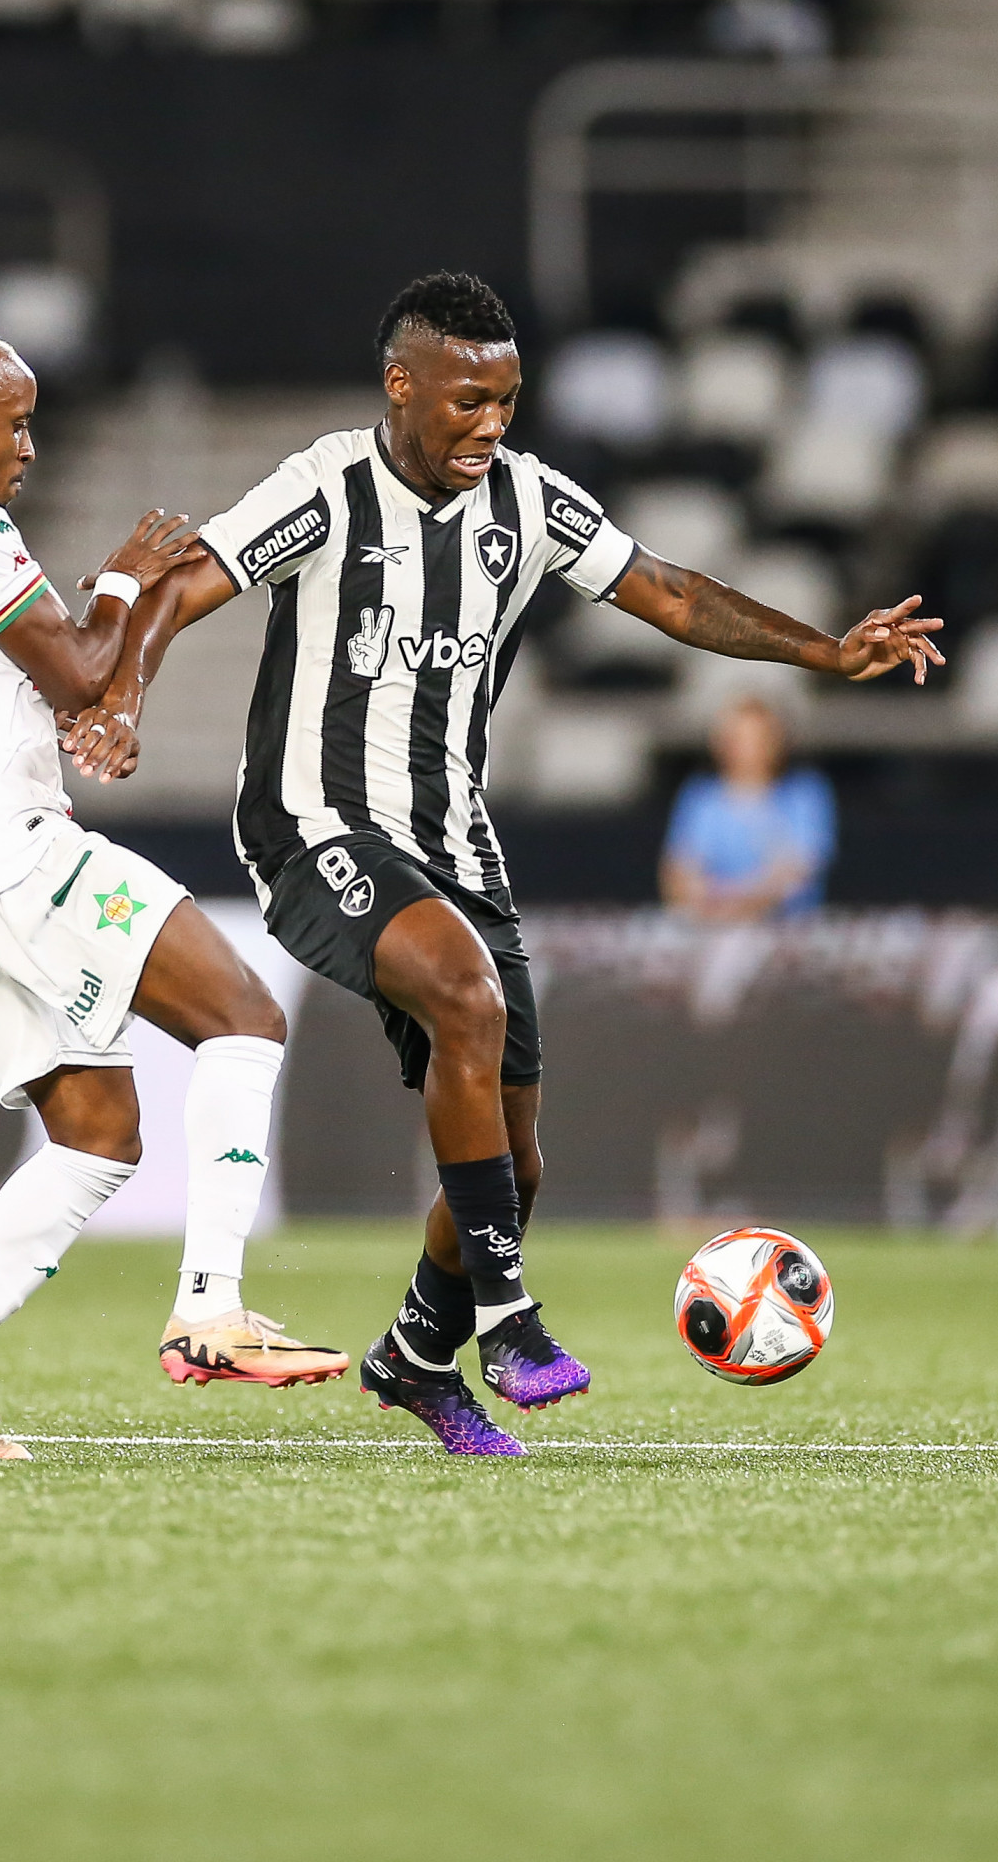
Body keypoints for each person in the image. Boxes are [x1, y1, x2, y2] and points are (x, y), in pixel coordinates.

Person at [63, 272, 943, 1459]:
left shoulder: (528, 502)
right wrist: (124, 696)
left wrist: (825, 653)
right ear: (402, 385)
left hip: (455, 846)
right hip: (314, 828)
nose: (492, 426)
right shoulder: (327, 484)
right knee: (466, 997)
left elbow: (672, 594)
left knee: (515, 1166)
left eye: (509, 400)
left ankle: (417, 1359)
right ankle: (508, 1318)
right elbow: (186, 582)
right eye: (469, 401)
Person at [0, 327, 347, 1463]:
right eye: (14, 422)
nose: (29, 446)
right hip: (8, 846)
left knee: (97, 1137)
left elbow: (47, 682)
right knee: (246, 1016)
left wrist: (100, 685)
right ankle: (212, 1312)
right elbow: (75, 663)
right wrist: (125, 581)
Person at [661, 696, 837, 919]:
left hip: (787, 932)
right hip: (710, 930)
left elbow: (799, 872)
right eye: (740, 739)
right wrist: (705, 905)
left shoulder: (806, 794)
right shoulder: (700, 797)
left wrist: (740, 907)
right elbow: (679, 872)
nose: (750, 749)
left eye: (760, 738)